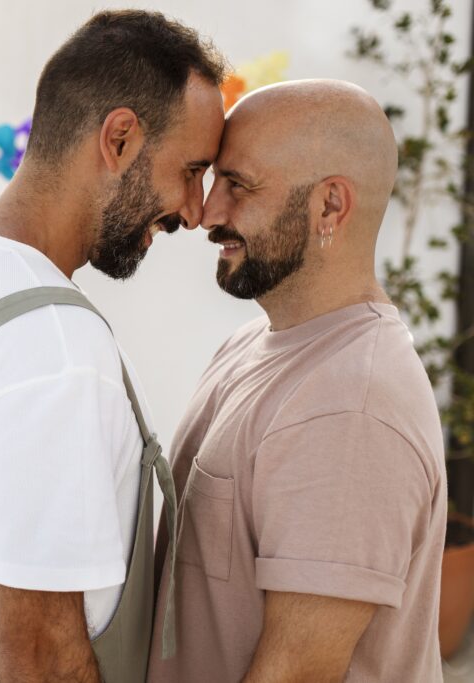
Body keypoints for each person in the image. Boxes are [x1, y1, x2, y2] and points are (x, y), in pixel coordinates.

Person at [0, 9, 227, 683]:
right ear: (119, 138)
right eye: (191, 170)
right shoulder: (54, 349)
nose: (193, 209)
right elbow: (39, 655)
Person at [147, 79, 447, 683]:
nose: (207, 213)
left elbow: (297, 673)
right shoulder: (257, 343)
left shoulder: (349, 408)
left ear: (330, 206)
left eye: (240, 185)